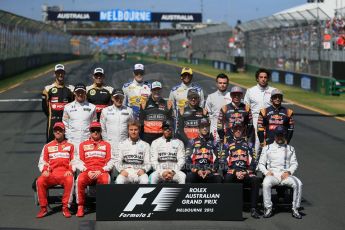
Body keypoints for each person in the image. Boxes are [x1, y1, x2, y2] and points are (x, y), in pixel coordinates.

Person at [258, 126, 302, 219]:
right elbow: (261, 164)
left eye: (281, 135)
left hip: (285, 175)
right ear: (275, 136)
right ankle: (268, 208)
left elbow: (294, 164)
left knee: (298, 183)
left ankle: (295, 209)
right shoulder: (267, 148)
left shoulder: (290, 149)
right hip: (272, 174)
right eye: (278, 135)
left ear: (284, 136)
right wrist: (266, 172)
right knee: (266, 183)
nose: (280, 137)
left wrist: (289, 172)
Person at [220, 123, 260, 219]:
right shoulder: (226, 145)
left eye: (240, 129)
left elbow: (254, 161)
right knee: (227, 178)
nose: (238, 130)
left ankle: (254, 208)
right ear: (232, 130)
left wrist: (246, 172)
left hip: (246, 172)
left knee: (256, 180)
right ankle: (228, 207)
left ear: (243, 130)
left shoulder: (249, 145)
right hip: (232, 171)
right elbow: (222, 162)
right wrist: (234, 172)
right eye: (236, 129)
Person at [35, 122, 74, 218]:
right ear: (53, 132)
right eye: (56, 130)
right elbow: (42, 161)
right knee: (40, 181)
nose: (58, 132)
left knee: (70, 179)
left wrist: (71, 170)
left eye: (60, 130)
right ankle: (43, 208)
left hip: (65, 173)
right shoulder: (47, 146)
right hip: (51, 173)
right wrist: (44, 170)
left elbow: (74, 160)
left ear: (64, 132)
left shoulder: (71, 145)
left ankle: (65, 207)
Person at [75, 122, 113, 217]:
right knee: (79, 180)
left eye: (97, 130)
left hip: (101, 171)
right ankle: (80, 206)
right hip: (88, 171)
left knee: (106, 179)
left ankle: (104, 206)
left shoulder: (107, 145)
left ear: (100, 131)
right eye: (93, 130)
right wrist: (86, 170)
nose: (95, 132)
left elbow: (111, 161)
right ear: (90, 132)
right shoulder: (82, 144)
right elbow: (78, 161)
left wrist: (101, 170)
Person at [244, 68, 276, 154]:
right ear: (257, 78)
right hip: (255, 119)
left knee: (271, 144)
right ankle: (254, 163)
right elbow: (246, 109)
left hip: (270, 120)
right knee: (257, 144)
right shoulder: (250, 91)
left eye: (265, 77)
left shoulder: (273, 91)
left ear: (268, 78)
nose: (263, 79)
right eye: (261, 77)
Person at [62, 83, 97, 160]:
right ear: (74, 93)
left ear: (85, 93)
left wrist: (91, 138)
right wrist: (69, 137)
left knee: (86, 163)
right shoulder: (67, 107)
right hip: (72, 140)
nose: (80, 94)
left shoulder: (92, 107)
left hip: (87, 140)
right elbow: (65, 123)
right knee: (73, 163)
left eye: (82, 92)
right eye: (78, 92)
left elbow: (94, 124)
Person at [42, 64, 74, 142]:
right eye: (58, 72)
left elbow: (73, 106)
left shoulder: (70, 90)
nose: (60, 74)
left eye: (62, 72)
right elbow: (44, 107)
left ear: (64, 73)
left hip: (66, 122)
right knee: (51, 144)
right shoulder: (47, 89)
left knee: (67, 144)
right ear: (55, 74)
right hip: (53, 121)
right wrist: (52, 115)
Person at [185, 118, 221, 183]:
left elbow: (218, 160)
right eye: (202, 126)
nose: (205, 128)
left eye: (206, 126)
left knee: (218, 178)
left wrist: (210, 170)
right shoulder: (192, 142)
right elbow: (187, 160)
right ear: (198, 128)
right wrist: (197, 171)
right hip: (196, 171)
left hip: (209, 171)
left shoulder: (214, 143)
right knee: (189, 176)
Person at [114, 120, 151, 184]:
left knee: (145, 181)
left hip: (139, 171)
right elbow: (117, 161)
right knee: (119, 181)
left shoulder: (146, 145)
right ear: (128, 131)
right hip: (126, 171)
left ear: (139, 130)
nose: (133, 132)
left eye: (135, 129)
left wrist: (144, 170)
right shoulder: (121, 144)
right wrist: (121, 170)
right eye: (131, 130)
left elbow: (149, 162)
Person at [205, 73, 232, 141]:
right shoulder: (211, 97)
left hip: (228, 128)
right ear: (216, 84)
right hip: (214, 129)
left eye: (224, 83)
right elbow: (208, 115)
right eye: (220, 83)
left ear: (228, 84)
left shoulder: (232, 96)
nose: (222, 85)